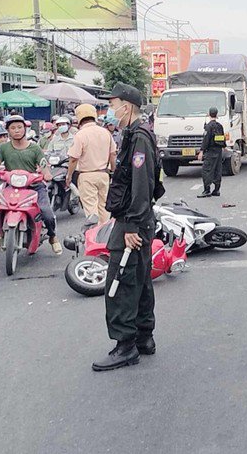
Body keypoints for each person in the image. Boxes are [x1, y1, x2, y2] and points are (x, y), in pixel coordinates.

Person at [92, 82, 158, 372]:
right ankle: (144, 337)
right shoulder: (133, 134)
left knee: (120, 283)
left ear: (127, 106)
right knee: (140, 279)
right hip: (138, 219)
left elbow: (142, 184)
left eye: (113, 103)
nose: (110, 109)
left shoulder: (139, 137)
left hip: (134, 221)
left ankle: (125, 345)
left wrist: (131, 224)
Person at [0, 115, 61, 254]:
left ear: (25, 129)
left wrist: (46, 174)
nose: (17, 130)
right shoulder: (3, 148)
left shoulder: (35, 148)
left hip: (34, 185)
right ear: (8, 131)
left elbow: (43, 164)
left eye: (19, 127)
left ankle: (53, 236)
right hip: (12, 186)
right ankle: (0, 234)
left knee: (46, 212)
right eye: (13, 128)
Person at [67, 104, 116, 223]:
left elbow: (73, 158)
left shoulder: (80, 134)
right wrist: (113, 171)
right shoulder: (105, 132)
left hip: (87, 176)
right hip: (104, 174)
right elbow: (113, 154)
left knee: (91, 210)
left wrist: (69, 176)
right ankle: (105, 235)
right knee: (104, 208)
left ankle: (95, 236)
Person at [197, 107, 226, 198]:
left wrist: (201, 151)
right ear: (217, 114)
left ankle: (207, 190)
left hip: (210, 152)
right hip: (218, 151)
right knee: (218, 170)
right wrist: (223, 147)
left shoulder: (208, 127)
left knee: (207, 170)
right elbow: (222, 138)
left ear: (209, 114)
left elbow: (206, 140)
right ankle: (216, 190)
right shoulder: (220, 126)